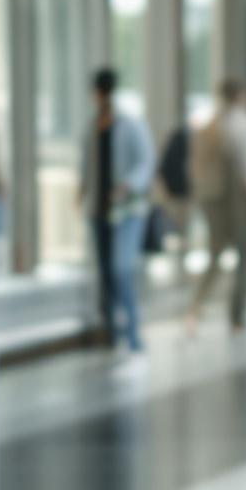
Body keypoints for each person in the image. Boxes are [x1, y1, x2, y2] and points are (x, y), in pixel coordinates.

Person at [78, 67, 155, 355]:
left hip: (128, 210)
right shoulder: (92, 125)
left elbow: (146, 162)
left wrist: (127, 186)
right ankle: (112, 332)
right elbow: (86, 162)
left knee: (122, 269)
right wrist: (81, 191)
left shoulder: (131, 124)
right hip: (99, 210)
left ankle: (133, 332)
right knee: (106, 274)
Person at [187, 77, 246, 331]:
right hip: (238, 199)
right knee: (245, 256)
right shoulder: (244, 124)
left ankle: (195, 307)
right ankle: (237, 316)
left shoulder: (211, 123)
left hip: (213, 201)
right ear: (241, 95)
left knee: (216, 255)